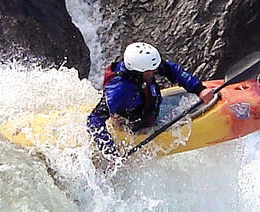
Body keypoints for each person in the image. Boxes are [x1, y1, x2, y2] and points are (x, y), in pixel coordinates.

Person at [86, 42, 218, 157]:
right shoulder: (118, 91)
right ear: (138, 71)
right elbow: (94, 120)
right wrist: (111, 153)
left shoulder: (143, 66)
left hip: (150, 110)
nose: (155, 71)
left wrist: (199, 89)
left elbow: (172, 70)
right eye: (151, 70)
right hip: (135, 125)